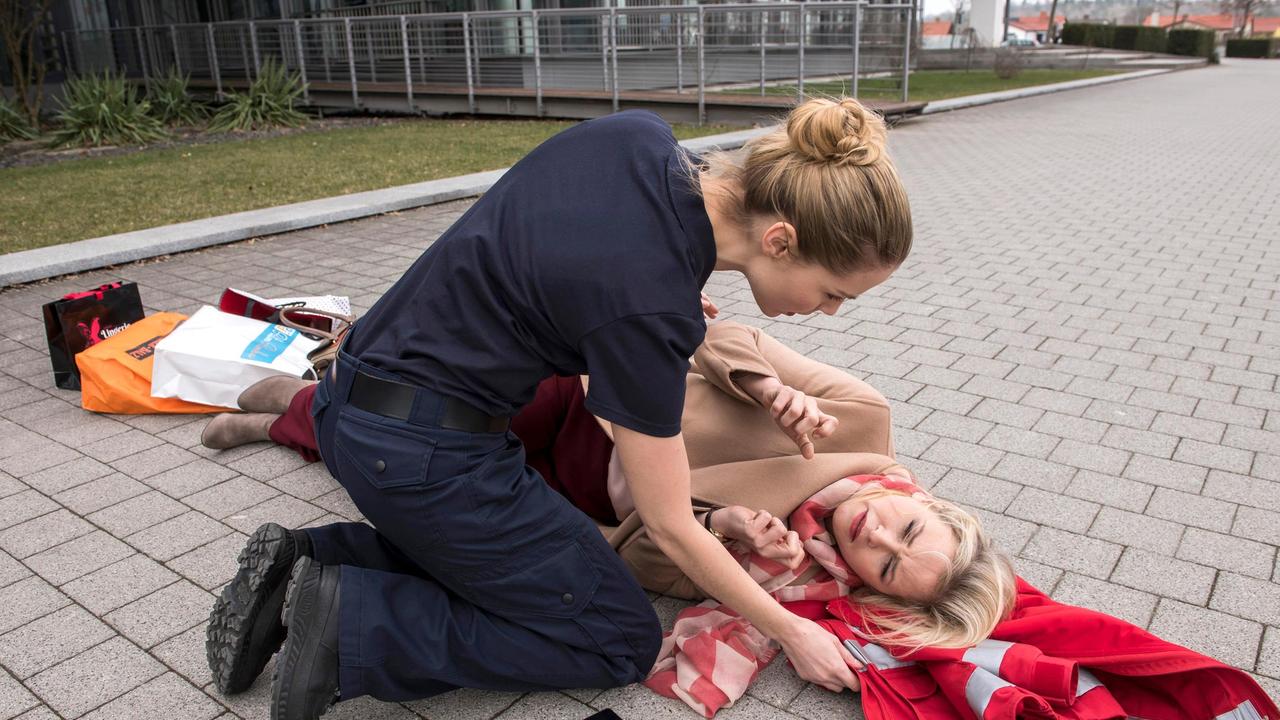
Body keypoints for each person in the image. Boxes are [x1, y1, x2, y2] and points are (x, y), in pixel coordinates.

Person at [205, 98, 914, 720]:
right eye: (832, 292)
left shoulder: (635, 140)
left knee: (527, 569)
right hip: (422, 457)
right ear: (781, 240)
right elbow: (668, 526)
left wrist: (650, 311)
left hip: (353, 399)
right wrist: (793, 631)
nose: (825, 312)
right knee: (615, 636)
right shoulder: (650, 305)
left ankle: (310, 563)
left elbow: (553, 265)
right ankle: (352, 626)